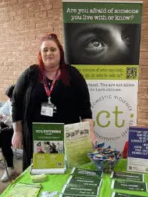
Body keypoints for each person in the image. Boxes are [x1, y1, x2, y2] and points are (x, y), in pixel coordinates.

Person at [11, 34, 95, 170]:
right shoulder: (30, 74)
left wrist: (90, 133)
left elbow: (85, 107)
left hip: (67, 138)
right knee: (41, 173)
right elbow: (16, 103)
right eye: (45, 50)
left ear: (60, 52)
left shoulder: (73, 74)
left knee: (66, 173)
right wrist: (17, 132)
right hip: (36, 139)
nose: (49, 53)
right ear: (40, 54)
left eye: (53, 49)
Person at [0, 85, 17, 182]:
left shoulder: (24, 103)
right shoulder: (10, 101)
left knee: (4, 134)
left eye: (12, 98)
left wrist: (5, 119)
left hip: (24, 131)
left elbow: (19, 123)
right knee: (4, 138)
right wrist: (1, 115)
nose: (10, 101)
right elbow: (0, 111)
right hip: (13, 129)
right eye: (9, 98)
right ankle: (10, 167)